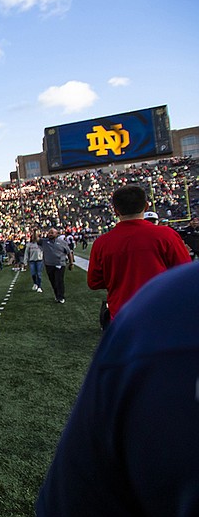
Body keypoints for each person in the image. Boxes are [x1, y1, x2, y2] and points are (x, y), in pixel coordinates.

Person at [36, 261, 199, 516]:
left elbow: (94, 281)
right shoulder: (172, 298)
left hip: (131, 316)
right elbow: (182, 262)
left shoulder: (166, 306)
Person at [87, 185, 190, 320]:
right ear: (146, 207)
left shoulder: (102, 243)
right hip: (163, 312)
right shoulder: (167, 235)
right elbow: (185, 273)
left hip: (123, 315)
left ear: (115, 211)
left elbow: (94, 282)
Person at [40, 227, 73, 304]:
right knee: (53, 281)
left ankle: (61, 296)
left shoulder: (62, 242)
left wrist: (71, 263)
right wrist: (35, 231)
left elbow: (69, 253)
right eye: (49, 232)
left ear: (57, 234)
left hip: (60, 264)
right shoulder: (44, 241)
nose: (50, 234)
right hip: (49, 264)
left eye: (52, 233)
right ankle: (57, 295)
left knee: (59, 280)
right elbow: (35, 239)